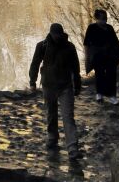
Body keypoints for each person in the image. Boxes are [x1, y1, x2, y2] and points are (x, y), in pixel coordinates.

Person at [28, 23, 82, 155]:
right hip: (48, 86)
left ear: (62, 34)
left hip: (65, 86)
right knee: (51, 114)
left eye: (59, 35)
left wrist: (77, 85)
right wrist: (32, 81)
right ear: (51, 34)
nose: (57, 37)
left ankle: (72, 147)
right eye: (55, 35)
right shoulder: (42, 46)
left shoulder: (69, 47)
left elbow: (76, 68)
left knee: (68, 116)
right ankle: (52, 138)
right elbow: (35, 63)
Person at [83, 9, 119, 104]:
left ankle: (112, 95)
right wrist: (88, 57)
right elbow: (86, 43)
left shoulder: (109, 28)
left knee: (112, 75)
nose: (103, 20)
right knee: (99, 74)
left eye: (105, 18)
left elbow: (116, 41)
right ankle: (99, 93)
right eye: (101, 18)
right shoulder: (91, 28)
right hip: (98, 55)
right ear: (97, 18)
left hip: (110, 55)